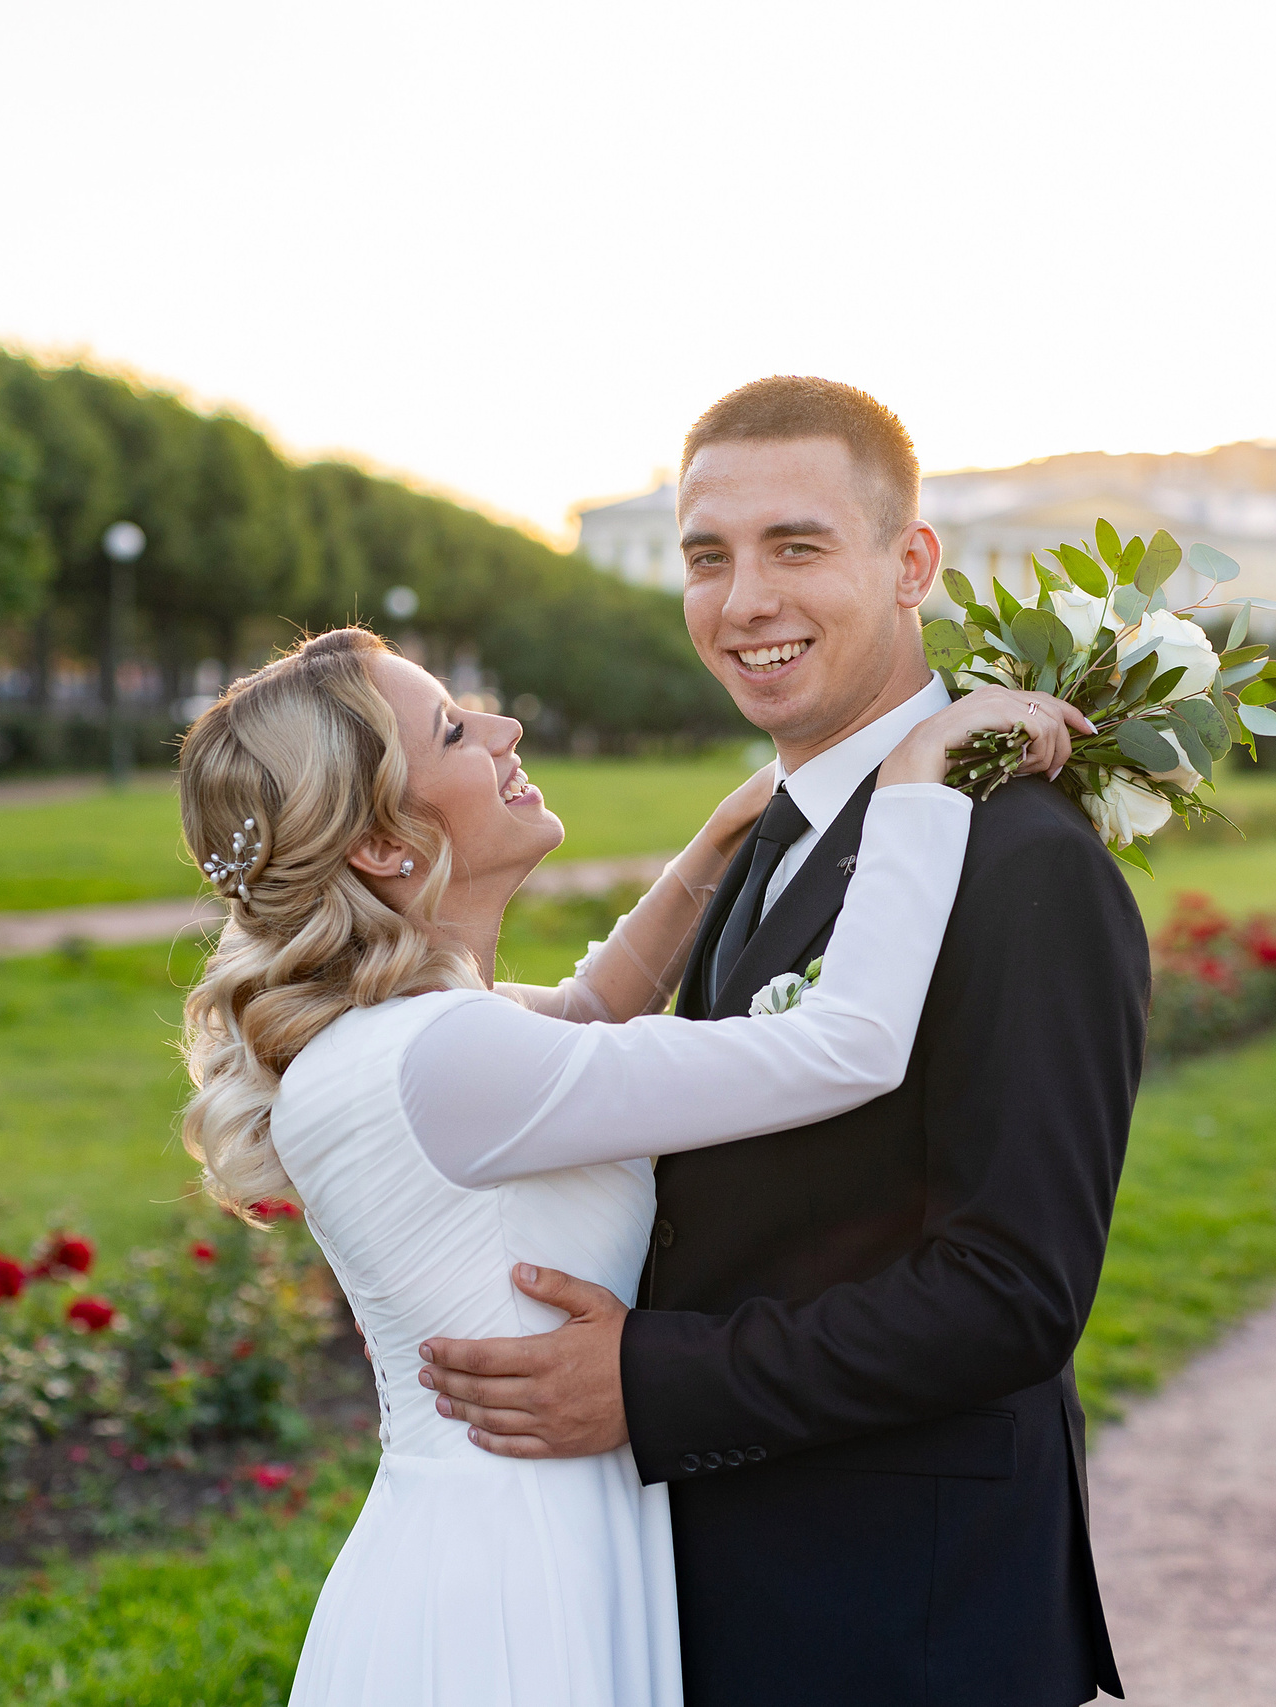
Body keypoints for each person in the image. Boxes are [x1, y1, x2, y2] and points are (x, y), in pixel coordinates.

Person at [173, 626, 1083, 1706]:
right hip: (519, 1577)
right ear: (381, 842)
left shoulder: (395, 1036)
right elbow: (847, 1047)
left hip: (484, 1533)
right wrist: (915, 779)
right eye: (456, 731)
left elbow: (587, 1011)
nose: (506, 728)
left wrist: (722, 834)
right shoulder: (448, 1057)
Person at [421, 378, 1151, 1705]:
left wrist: (652, 1379)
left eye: (796, 547)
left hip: (905, 1609)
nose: (744, 599)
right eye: (709, 557)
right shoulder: (768, 830)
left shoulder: (1021, 861)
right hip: (737, 1580)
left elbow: (1013, 1292)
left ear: (910, 561)